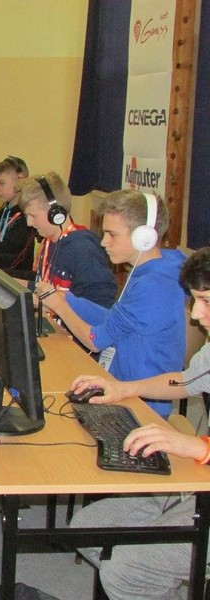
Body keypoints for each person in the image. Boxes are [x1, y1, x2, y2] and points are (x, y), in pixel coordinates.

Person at [67, 246, 210, 600]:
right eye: (195, 301)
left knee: (126, 571)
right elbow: (187, 380)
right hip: (200, 486)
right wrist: (124, 388)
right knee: (87, 528)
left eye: (206, 301)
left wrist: (198, 446)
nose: (196, 315)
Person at [40, 189, 186, 418]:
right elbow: (113, 319)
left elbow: (95, 340)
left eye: (111, 234)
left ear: (143, 237)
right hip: (119, 387)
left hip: (143, 407)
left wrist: (60, 306)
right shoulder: (148, 270)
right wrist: (66, 298)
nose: (103, 242)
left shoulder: (154, 285)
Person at [14, 172, 117, 308]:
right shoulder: (49, 242)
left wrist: (54, 306)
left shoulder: (83, 248)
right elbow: (49, 288)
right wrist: (10, 283)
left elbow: (101, 306)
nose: (29, 223)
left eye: (33, 216)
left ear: (55, 213)